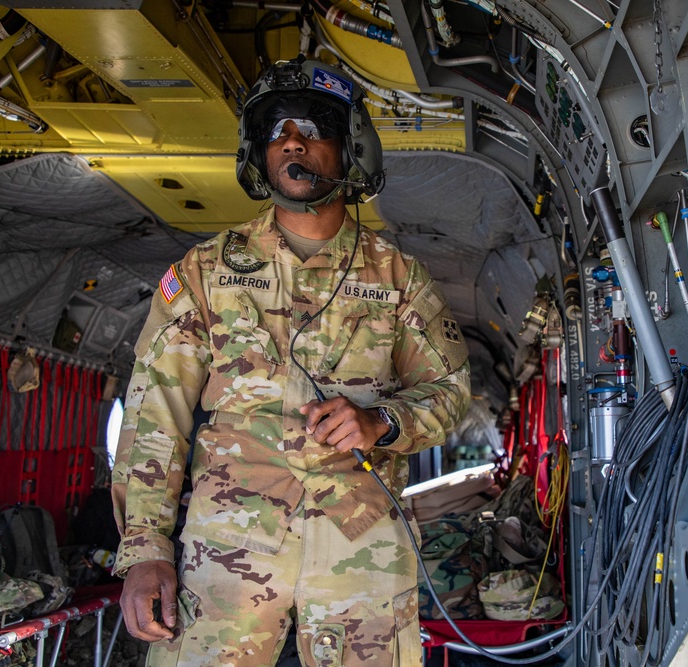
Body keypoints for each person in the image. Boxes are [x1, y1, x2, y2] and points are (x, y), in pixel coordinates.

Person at [111, 56, 471, 666]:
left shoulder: (399, 278)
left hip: (361, 552)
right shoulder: (205, 272)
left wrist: (382, 423)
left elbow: (450, 390)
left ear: (351, 147)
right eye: (276, 130)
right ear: (258, 152)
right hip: (228, 555)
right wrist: (145, 549)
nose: (294, 141)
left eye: (314, 126)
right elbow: (155, 415)